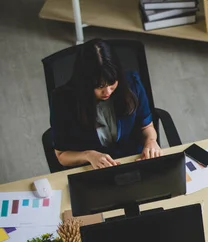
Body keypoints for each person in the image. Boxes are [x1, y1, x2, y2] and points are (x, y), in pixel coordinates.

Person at [50, 39, 161, 169]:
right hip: (94, 168)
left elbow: (146, 126)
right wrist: (88, 155)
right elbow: (61, 155)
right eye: (100, 86)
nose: (107, 91)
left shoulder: (132, 84)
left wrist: (151, 141)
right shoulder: (62, 100)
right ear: (85, 83)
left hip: (133, 161)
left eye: (112, 83)